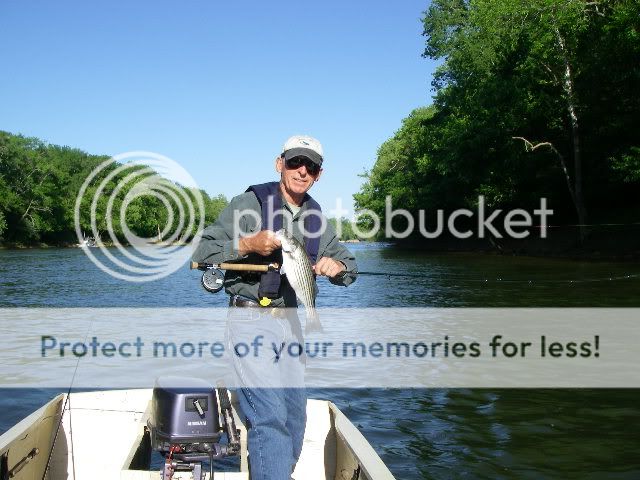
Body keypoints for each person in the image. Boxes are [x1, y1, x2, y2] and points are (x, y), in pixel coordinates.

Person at [192, 135, 357, 480]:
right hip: (250, 319)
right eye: (295, 162)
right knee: (269, 417)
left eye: (310, 166)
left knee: (294, 420)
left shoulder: (315, 217)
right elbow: (202, 253)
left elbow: (348, 265)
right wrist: (246, 244)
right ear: (279, 163)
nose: (301, 171)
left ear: (318, 175)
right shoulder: (248, 204)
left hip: (293, 324)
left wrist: (337, 268)